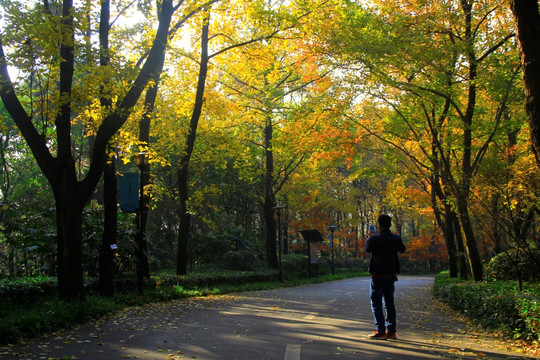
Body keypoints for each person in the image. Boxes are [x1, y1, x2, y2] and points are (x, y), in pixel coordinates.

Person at [365, 214, 406, 340]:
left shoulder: (374, 239)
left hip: (377, 275)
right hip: (390, 274)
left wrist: (369, 238)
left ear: (380, 225)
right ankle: (391, 331)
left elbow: (367, 249)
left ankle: (380, 331)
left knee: (376, 303)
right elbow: (402, 249)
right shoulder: (396, 238)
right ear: (390, 224)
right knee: (389, 303)